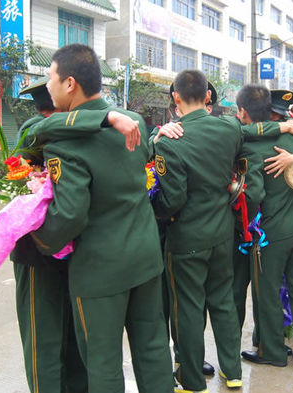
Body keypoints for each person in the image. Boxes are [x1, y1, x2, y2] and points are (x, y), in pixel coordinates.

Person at [27, 44, 173, 392]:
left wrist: (36, 238)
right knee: (153, 349)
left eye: (50, 78)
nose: (47, 86)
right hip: (145, 257)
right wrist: (107, 115)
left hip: (100, 270)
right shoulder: (134, 123)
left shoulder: (63, 141)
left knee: (103, 363)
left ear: (70, 84)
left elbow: (71, 215)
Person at [152, 69, 257, 392]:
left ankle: (191, 379)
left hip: (187, 238)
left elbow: (173, 199)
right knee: (223, 301)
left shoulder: (170, 141)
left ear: (175, 98)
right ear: (209, 97)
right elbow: (249, 139)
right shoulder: (228, 127)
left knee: (187, 307)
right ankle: (233, 371)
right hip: (223, 233)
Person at [11, 78, 88, 393]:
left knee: (55, 333)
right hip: (55, 253)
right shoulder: (40, 130)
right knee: (60, 332)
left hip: (50, 251)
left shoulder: (45, 129)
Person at [236, 84, 293, 372]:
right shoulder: (288, 133)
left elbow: (254, 195)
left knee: (266, 291)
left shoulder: (249, 143)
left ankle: (272, 351)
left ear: (243, 112)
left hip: (273, 231)